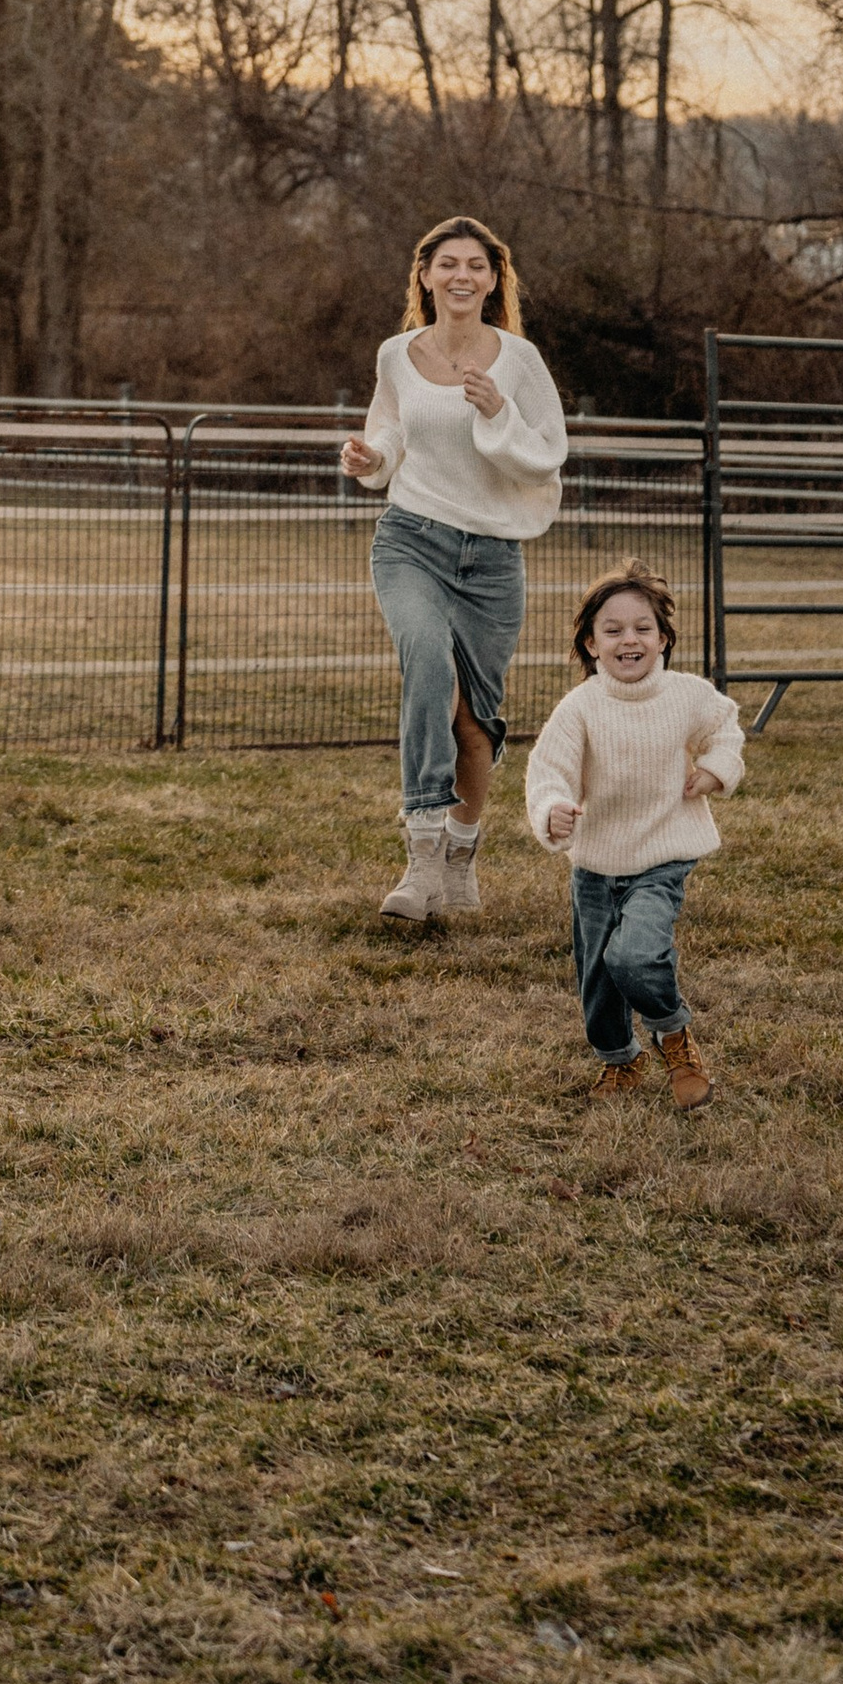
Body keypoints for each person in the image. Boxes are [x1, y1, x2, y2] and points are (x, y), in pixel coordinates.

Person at [339, 214, 568, 923]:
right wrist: (371, 457)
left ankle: (461, 856)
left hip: (492, 558)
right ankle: (421, 850)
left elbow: (548, 452)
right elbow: (388, 429)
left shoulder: (519, 361)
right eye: (448, 264)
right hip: (411, 539)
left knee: (474, 722)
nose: (461, 275)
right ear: (426, 275)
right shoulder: (396, 354)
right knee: (427, 663)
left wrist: (498, 411)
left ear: (494, 280)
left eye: (475, 265)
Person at [521, 562, 744, 1110]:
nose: (630, 640)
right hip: (596, 864)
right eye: (613, 630)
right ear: (591, 644)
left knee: (634, 956)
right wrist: (552, 810)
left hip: (662, 855)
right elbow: (548, 771)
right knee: (598, 975)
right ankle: (619, 1059)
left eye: (643, 628)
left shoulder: (686, 695)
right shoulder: (580, 708)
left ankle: (673, 1034)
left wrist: (716, 769)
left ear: (663, 638)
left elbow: (725, 727)